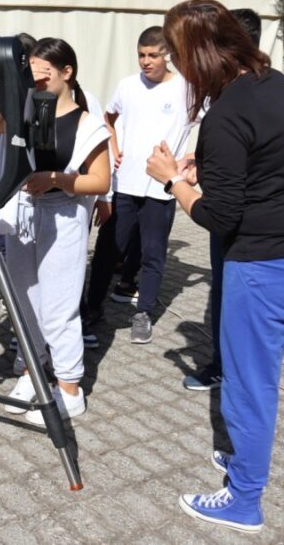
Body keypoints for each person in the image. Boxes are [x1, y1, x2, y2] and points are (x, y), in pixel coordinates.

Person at [146, 0, 284, 533]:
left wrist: (171, 178)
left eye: (179, 58)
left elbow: (219, 217)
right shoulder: (272, 83)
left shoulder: (224, 116)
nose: (178, 70)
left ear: (199, 53)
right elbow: (276, 154)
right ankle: (245, 461)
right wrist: (216, 164)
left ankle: (244, 498)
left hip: (263, 263)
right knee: (259, 374)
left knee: (250, 385)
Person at [182, 8, 284, 391]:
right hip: (237, 213)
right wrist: (208, 166)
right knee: (224, 295)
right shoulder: (226, 87)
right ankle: (226, 366)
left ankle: (242, 379)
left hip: (258, 231)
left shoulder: (278, 84)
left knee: (252, 345)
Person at [0, 37, 111, 426]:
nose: (38, 76)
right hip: (23, 217)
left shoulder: (87, 121)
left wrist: (58, 180)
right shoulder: (23, 108)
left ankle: (69, 388)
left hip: (63, 217)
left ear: (68, 72)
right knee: (24, 300)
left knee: (60, 306)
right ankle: (33, 370)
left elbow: (100, 181)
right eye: (32, 69)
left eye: (46, 70)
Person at [82, 26, 198, 345]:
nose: (146, 62)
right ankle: (92, 309)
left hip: (161, 188)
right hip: (125, 184)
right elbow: (107, 117)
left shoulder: (187, 90)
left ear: (168, 55)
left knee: (153, 253)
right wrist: (114, 147)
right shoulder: (128, 85)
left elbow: (217, 122)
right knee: (108, 249)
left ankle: (143, 313)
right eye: (141, 55)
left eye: (153, 55)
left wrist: (193, 158)